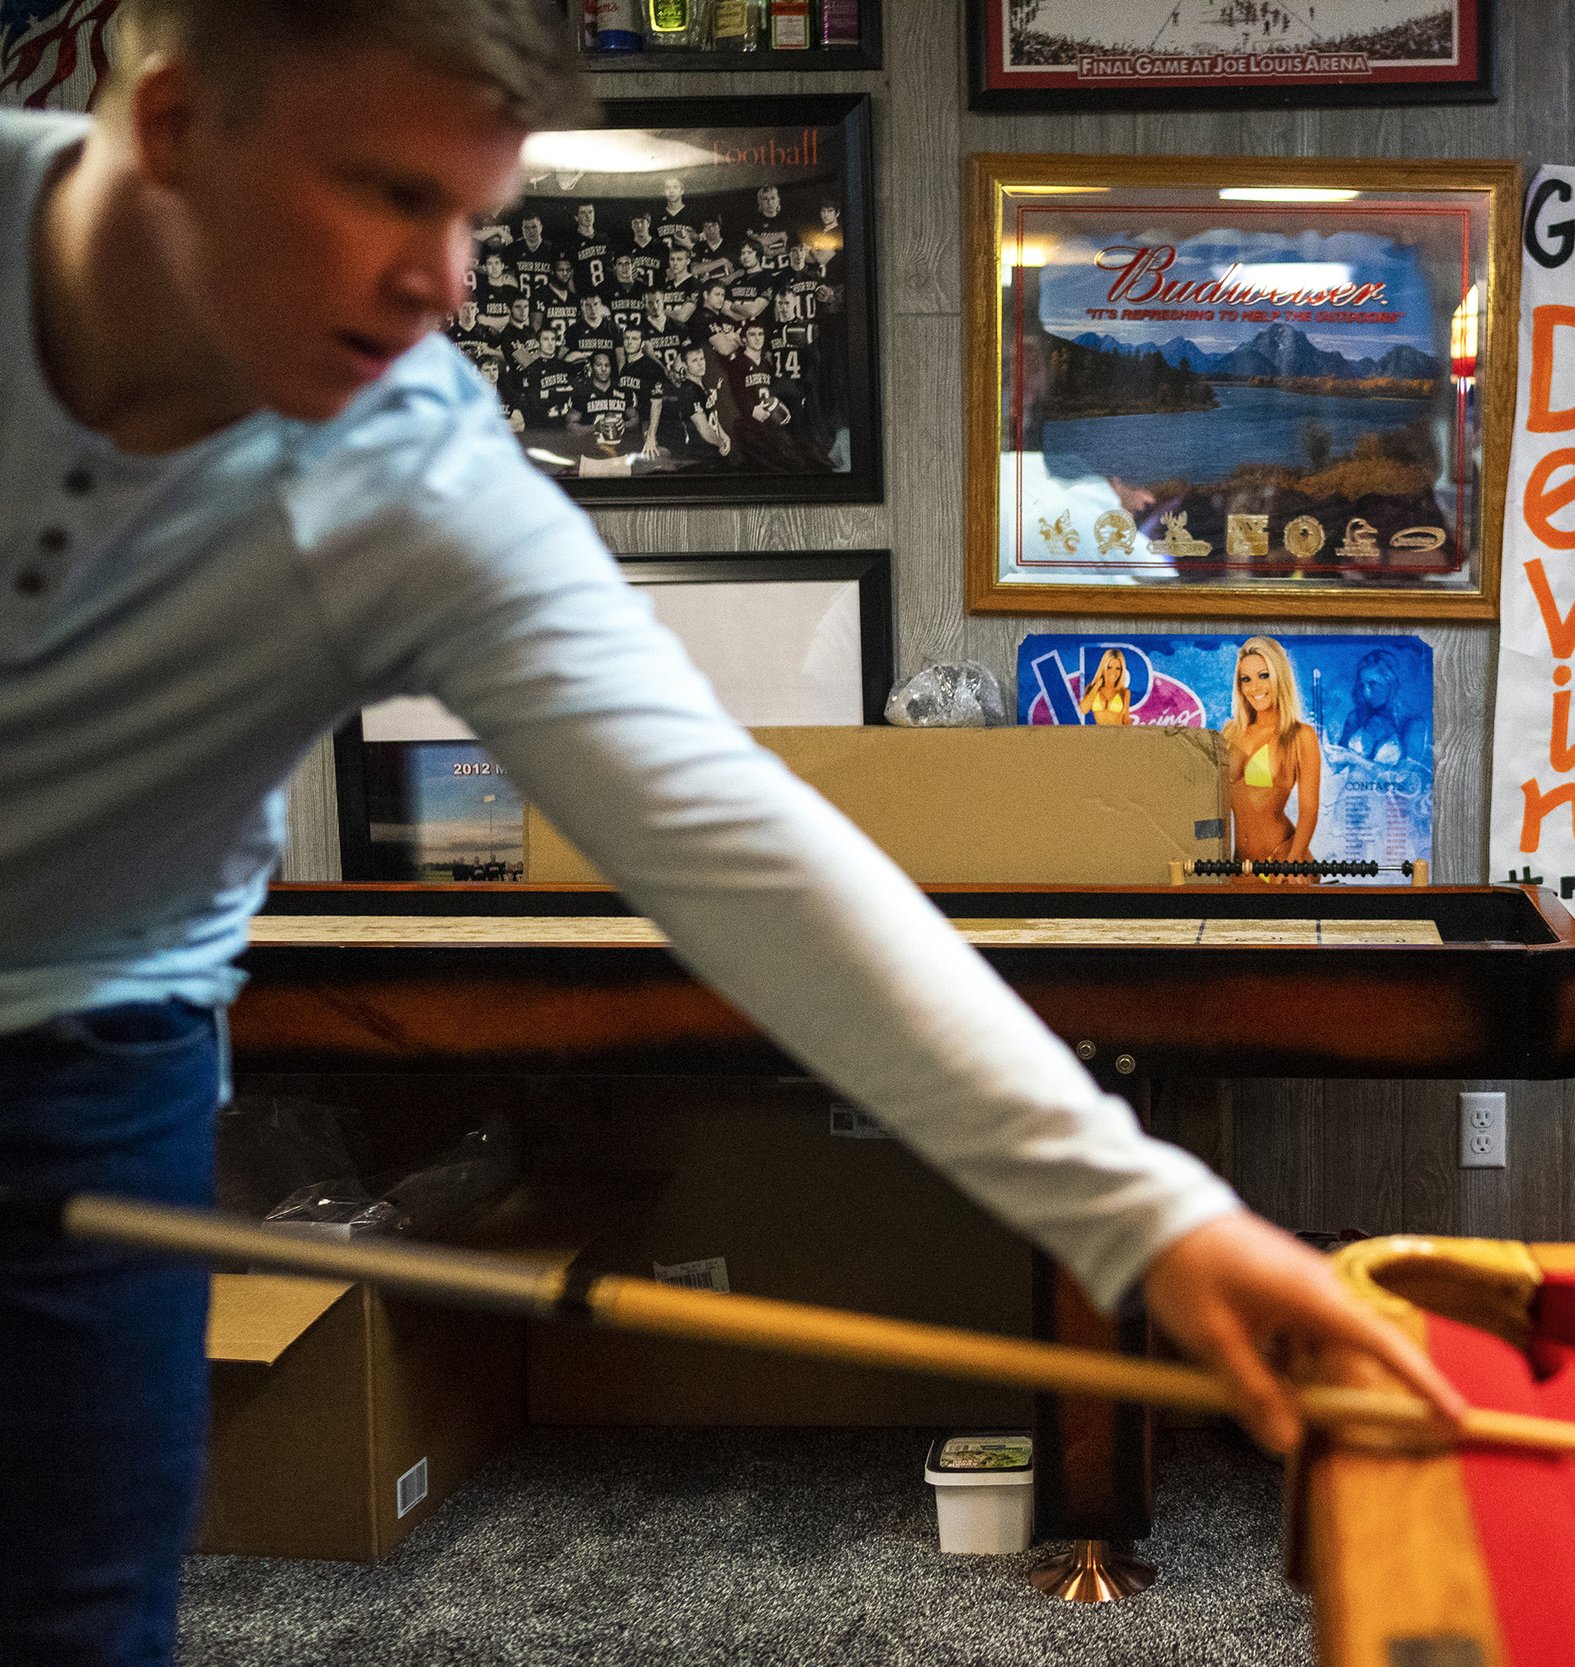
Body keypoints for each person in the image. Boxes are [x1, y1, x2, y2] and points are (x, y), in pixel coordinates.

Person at [0, 6, 1463, 1663]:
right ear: (178, 126)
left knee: (65, 1606)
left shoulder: (411, 475)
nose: (450, 283)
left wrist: (1147, 1214)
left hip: (94, 1048)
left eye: (476, 216)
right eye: (390, 193)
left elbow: (738, 844)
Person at [1222, 636, 1322, 866]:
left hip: (1280, 857)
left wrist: (1294, 858)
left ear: (1279, 676)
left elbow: (1309, 810)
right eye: (1246, 679)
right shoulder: (1231, 731)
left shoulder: (1301, 736)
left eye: (1264, 676)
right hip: (1238, 863)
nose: (1254, 687)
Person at [1077, 647, 1133, 725]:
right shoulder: (1092, 688)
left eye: (1118, 668)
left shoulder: (1124, 692)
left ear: (1122, 670)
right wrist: (1096, 686)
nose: (1113, 672)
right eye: (1109, 667)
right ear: (1103, 667)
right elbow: (1083, 710)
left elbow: (1126, 721)